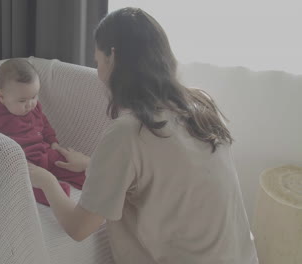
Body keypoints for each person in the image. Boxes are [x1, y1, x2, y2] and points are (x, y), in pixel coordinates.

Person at [27, 7, 259, 263]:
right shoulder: (200, 105)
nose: (98, 72)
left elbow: (79, 227)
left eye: (97, 61)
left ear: (112, 57)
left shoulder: (128, 132)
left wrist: (45, 180)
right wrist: (92, 165)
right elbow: (168, 178)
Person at [0, 58, 86, 206]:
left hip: (44, 152)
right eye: (22, 101)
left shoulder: (35, 108)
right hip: (24, 161)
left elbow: (45, 125)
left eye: (34, 96)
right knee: (23, 183)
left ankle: (89, 180)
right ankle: (53, 192)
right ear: (2, 97)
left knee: (68, 163)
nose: (30, 104)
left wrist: (53, 142)